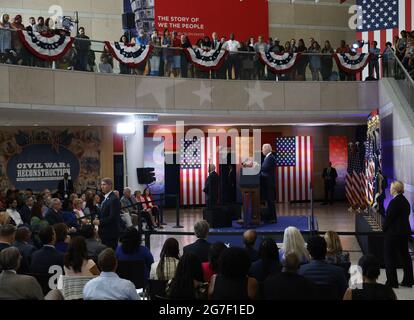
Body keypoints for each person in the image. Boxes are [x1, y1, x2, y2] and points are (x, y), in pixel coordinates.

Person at [382, 180, 414, 288]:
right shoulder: (405, 201)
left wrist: (384, 228)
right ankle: (408, 281)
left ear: (395, 189)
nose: (390, 189)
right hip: (404, 233)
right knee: (405, 256)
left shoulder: (394, 202)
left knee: (389, 257)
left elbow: (389, 218)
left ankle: (392, 282)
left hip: (393, 234)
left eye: (391, 187)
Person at [96, 178, 121, 249]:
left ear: (110, 186)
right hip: (104, 232)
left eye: (104, 184)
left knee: (110, 254)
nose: (102, 187)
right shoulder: (105, 198)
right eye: (101, 185)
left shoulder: (114, 199)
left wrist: (100, 222)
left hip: (110, 233)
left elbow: (112, 217)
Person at [260, 144, 277, 223]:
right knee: (269, 201)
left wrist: (256, 167)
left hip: (269, 183)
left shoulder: (270, 158)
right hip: (267, 182)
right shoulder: (268, 157)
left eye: (262, 149)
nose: (262, 150)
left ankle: (273, 218)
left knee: (270, 201)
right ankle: (270, 217)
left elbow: (264, 168)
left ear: (267, 149)